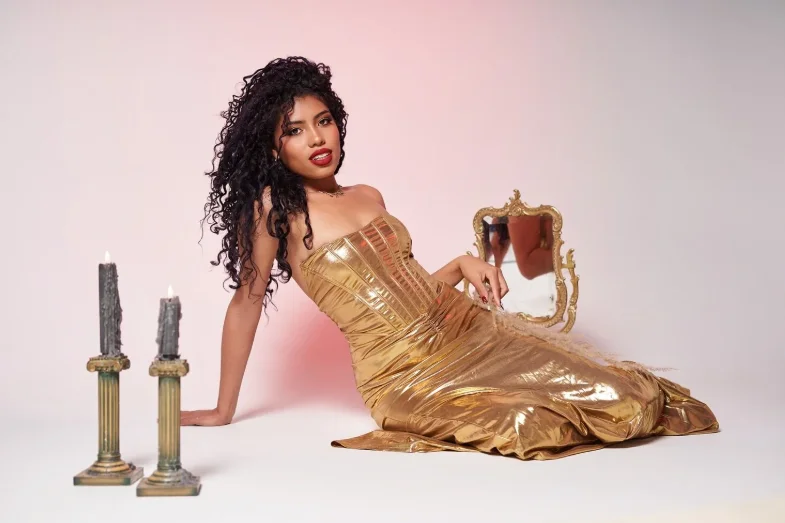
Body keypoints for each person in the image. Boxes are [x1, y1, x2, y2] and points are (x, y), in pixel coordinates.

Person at [183, 57, 719, 460]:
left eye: (323, 121)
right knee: (531, 425)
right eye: (294, 130)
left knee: (627, 395)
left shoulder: (368, 195)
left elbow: (405, 292)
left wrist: (462, 265)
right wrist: (224, 408)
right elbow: (246, 303)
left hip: (467, 332)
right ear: (273, 148)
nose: (316, 139)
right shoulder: (275, 211)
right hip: (402, 377)